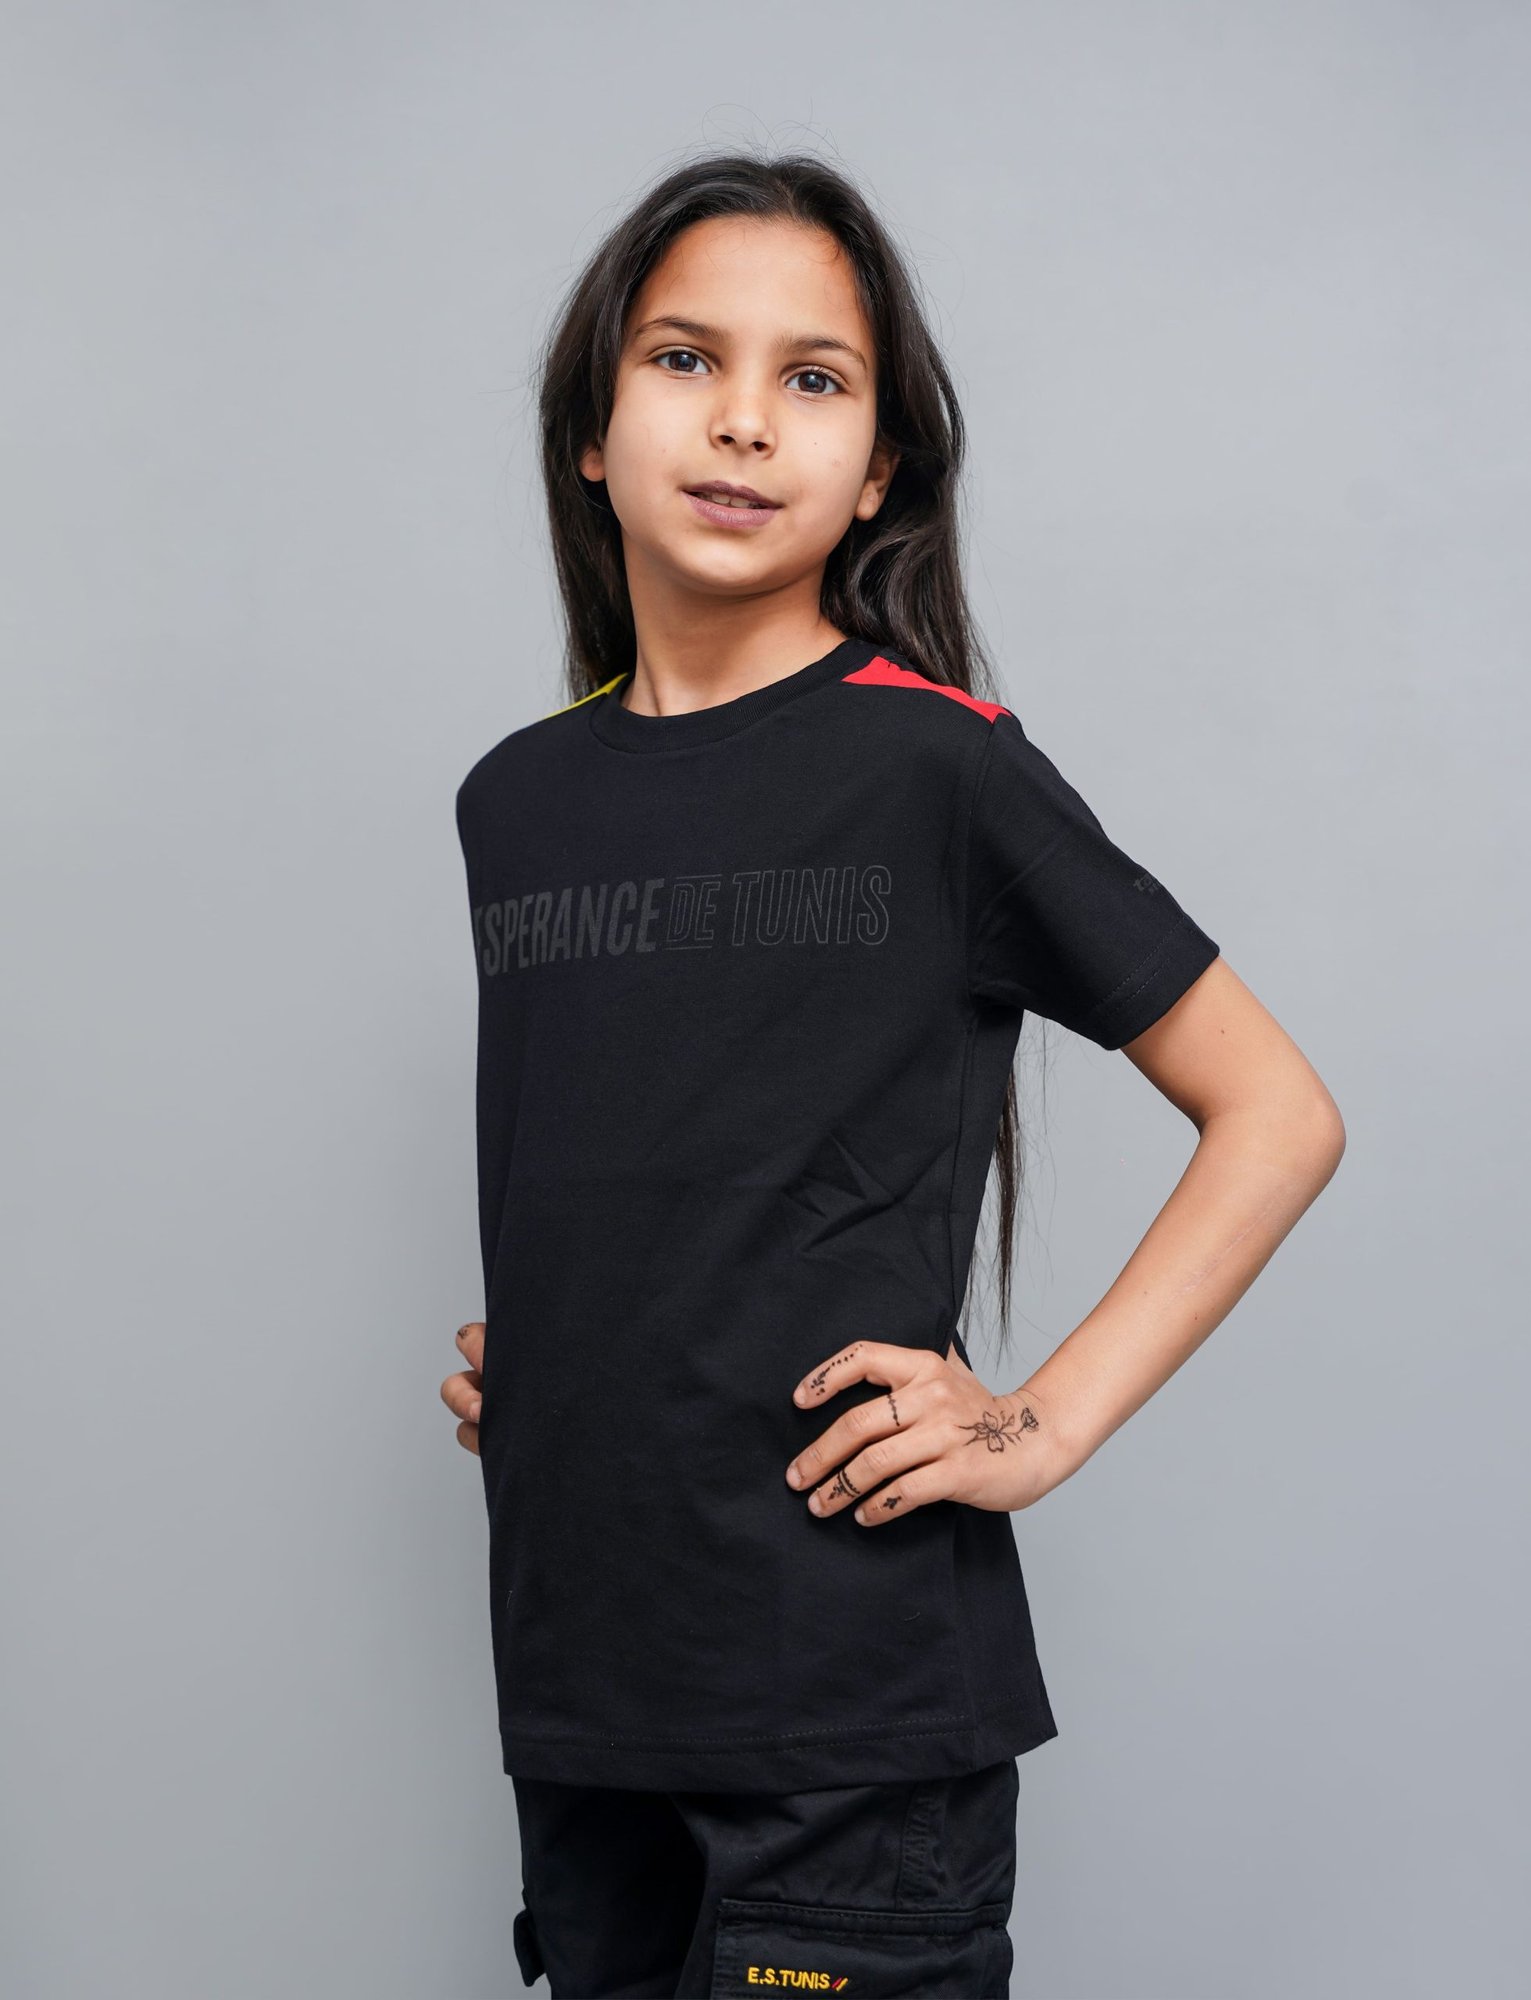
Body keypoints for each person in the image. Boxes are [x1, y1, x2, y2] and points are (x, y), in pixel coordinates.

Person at [442, 150, 1344, 1999]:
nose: (745, 419)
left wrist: (1040, 1423)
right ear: (589, 432)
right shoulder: (514, 799)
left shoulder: (938, 768)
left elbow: (1278, 1112)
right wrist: (565, 1353)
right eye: (685, 359)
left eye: (815, 378)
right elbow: (655, 1154)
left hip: (848, 1730)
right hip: (582, 1705)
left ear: (879, 473)